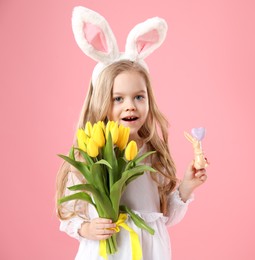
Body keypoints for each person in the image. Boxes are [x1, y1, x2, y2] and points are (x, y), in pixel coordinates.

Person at [55, 6, 207, 260]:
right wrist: (87, 228)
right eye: (118, 98)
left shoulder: (151, 151)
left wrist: (187, 187)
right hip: (106, 251)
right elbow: (70, 214)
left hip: (148, 251)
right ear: (101, 102)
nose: (130, 105)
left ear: (149, 99)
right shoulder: (89, 155)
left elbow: (163, 216)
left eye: (139, 96)